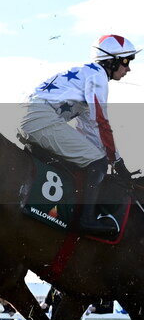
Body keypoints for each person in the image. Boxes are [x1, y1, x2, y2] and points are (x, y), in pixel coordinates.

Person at [18, 35, 138, 238]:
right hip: (40, 118)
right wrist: (116, 162)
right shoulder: (98, 75)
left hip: (27, 116)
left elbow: (89, 128)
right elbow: (101, 122)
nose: (128, 69)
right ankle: (86, 220)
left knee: (92, 156)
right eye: (126, 62)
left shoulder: (86, 73)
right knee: (97, 163)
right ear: (111, 60)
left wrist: (110, 155)